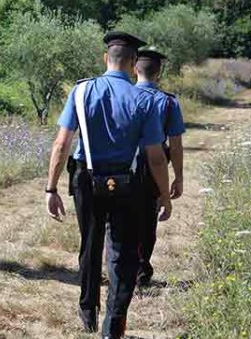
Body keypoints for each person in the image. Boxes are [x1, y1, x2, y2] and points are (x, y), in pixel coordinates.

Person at [44, 31, 173, 339]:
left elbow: (62, 144)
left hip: (86, 180)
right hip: (128, 183)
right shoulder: (143, 100)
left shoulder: (80, 92)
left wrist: (51, 188)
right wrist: (165, 196)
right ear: (132, 64)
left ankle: (87, 310)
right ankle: (113, 325)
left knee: (89, 245)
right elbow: (156, 157)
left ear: (105, 59)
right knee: (122, 254)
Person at [134, 48, 185, 286]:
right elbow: (175, 146)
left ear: (135, 68)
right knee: (147, 220)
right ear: (159, 73)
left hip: (123, 162)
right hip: (154, 166)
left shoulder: (123, 95)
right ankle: (142, 268)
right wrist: (178, 177)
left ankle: (121, 265)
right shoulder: (168, 102)